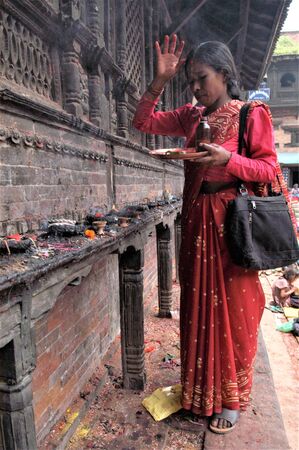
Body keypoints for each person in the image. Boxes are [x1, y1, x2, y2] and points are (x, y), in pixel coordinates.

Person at [133, 35, 277, 434]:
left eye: (202, 78)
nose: (195, 88)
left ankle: (231, 399)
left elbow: (270, 171)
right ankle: (200, 396)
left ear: (225, 74)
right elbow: (141, 122)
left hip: (231, 225)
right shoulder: (191, 117)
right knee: (198, 309)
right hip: (195, 221)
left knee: (234, 313)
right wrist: (160, 80)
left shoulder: (251, 114)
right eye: (191, 81)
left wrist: (229, 159)